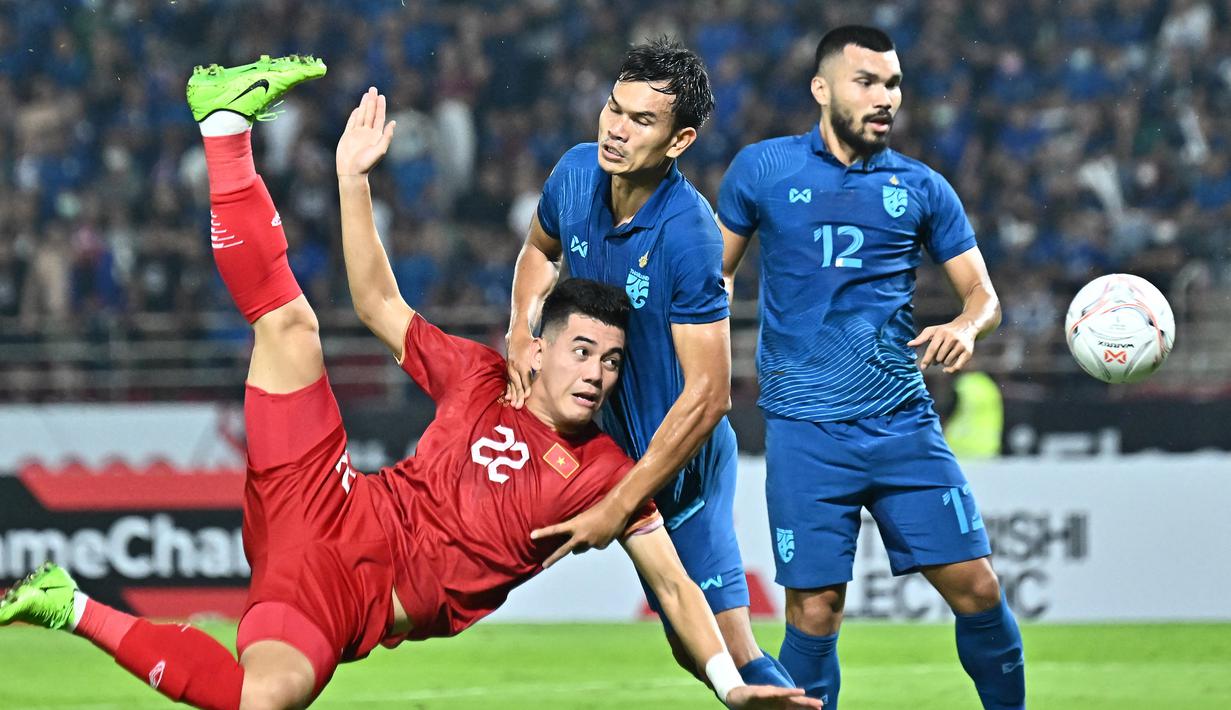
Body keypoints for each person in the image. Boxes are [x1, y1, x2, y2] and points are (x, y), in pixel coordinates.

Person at [0, 56, 820, 710]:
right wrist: (353, 180)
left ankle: (65, 605)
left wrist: (724, 684)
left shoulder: (606, 472)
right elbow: (377, 303)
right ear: (539, 348)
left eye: (610, 362)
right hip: (323, 498)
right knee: (291, 329)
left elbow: (673, 585)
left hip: (345, 596)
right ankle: (224, 125)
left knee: (263, 699)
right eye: (583, 353)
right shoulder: (477, 374)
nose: (598, 374)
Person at [717, 26, 1025, 710]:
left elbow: (984, 297)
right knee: (814, 611)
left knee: (976, 588)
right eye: (867, 82)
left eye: (892, 84)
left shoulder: (921, 187)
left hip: (901, 424)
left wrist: (964, 325)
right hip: (804, 428)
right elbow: (713, 279)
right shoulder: (762, 171)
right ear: (821, 89)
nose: (884, 97)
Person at [505, 39, 792, 689]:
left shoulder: (690, 236)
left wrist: (621, 504)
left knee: (723, 647)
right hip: (611, 454)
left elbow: (709, 396)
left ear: (678, 140)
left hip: (680, 467)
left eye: (641, 121)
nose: (615, 128)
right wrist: (520, 331)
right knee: (692, 651)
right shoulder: (575, 174)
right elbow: (536, 251)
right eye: (614, 108)